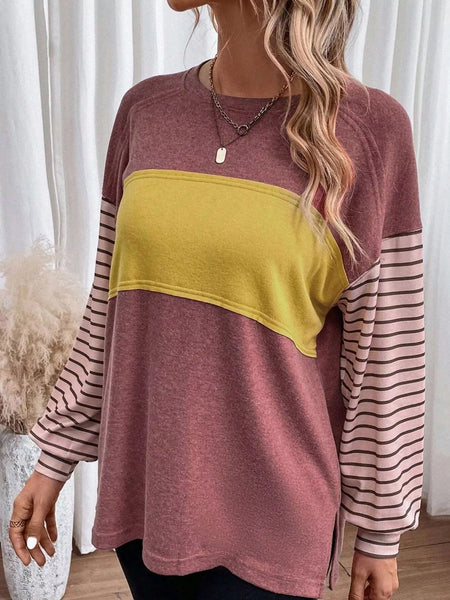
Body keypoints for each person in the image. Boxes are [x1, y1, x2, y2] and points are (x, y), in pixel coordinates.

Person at [9, 1, 426, 599]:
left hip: (274, 520)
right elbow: (109, 311)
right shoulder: (144, 111)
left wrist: (381, 533)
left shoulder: (369, 130)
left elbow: (387, 354)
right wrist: (54, 456)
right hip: (149, 500)